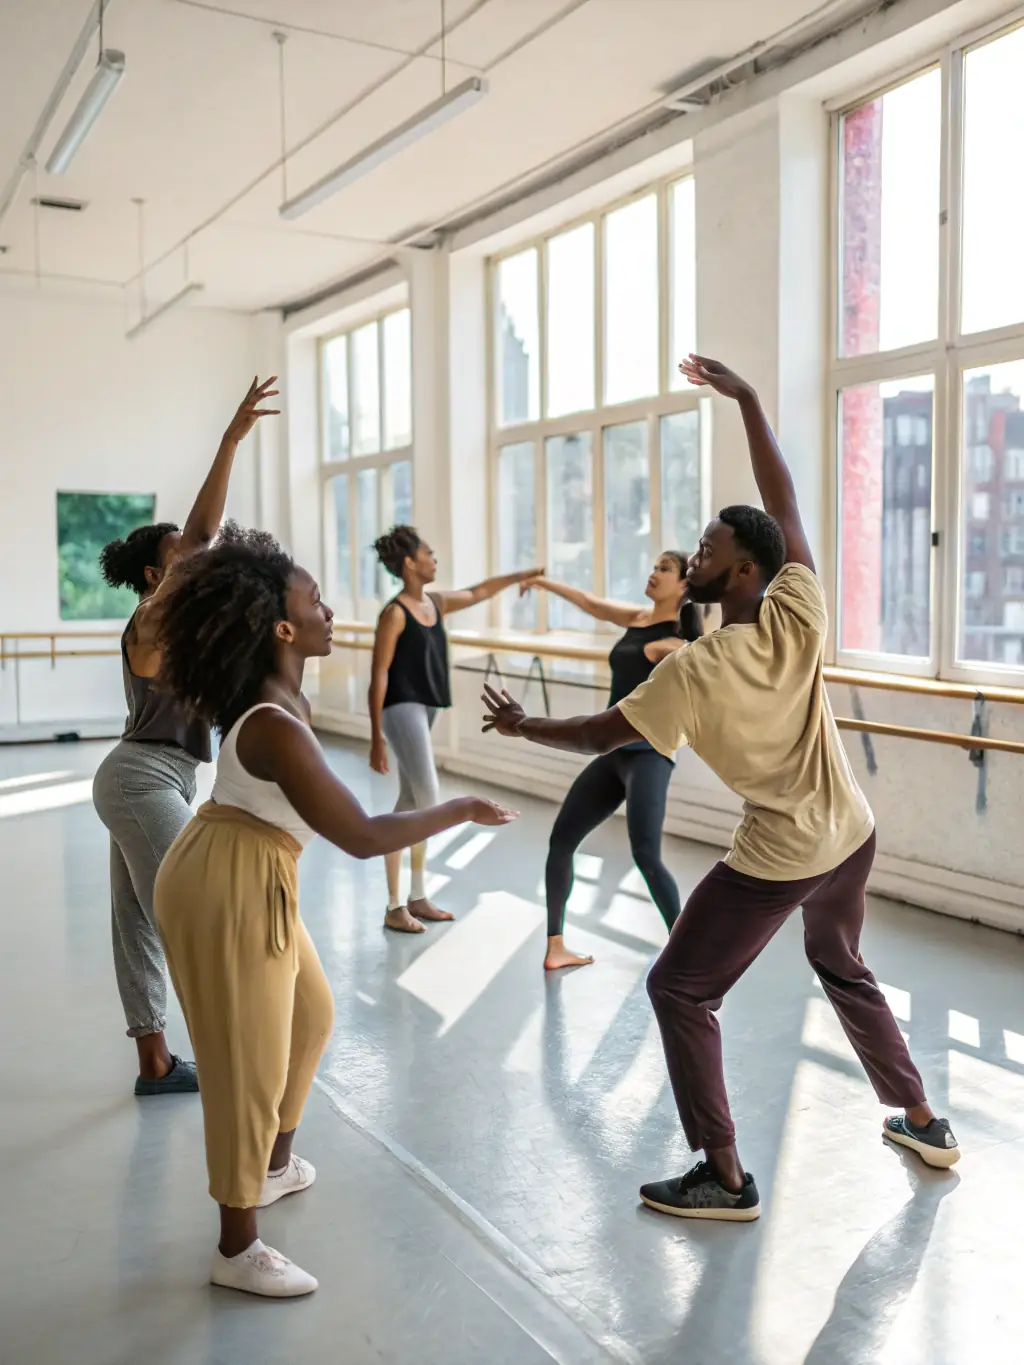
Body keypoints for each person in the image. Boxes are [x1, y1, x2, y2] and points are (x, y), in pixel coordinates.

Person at [482, 353, 960, 1223]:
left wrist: (522, 727)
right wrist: (744, 400)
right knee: (841, 961)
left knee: (680, 989)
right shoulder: (799, 611)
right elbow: (783, 511)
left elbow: (598, 733)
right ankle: (925, 1120)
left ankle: (726, 1175)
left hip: (780, 855)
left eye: (709, 547)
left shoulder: (694, 669)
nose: (695, 553)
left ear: (742, 573)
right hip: (852, 833)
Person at [152, 524, 517, 1298]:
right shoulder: (277, 724)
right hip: (229, 877)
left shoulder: (285, 696)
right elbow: (359, 834)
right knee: (245, 1057)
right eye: (314, 599)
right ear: (283, 627)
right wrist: (458, 806)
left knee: (310, 1016)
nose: (327, 609)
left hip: (256, 866)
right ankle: (236, 1242)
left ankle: (274, 1164)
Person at [92, 376, 279, 1095]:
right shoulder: (149, 614)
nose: (196, 559)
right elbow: (203, 534)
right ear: (153, 573)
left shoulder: (184, 624)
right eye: (181, 557)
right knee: (190, 909)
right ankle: (230, 1054)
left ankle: (157, 1063)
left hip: (149, 777)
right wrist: (231, 439)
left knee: (137, 921)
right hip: (142, 776)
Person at [519, 559, 702, 970]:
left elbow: (703, 667)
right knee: (562, 839)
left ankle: (687, 956)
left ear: (684, 585)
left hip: (650, 755)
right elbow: (591, 603)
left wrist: (673, 651)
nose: (653, 572)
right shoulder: (637, 619)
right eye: (653, 565)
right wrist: (544, 581)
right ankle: (555, 947)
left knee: (646, 855)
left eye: (665, 568)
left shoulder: (678, 642)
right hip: (612, 753)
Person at [368, 524, 541, 933]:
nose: (434, 558)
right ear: (410, 563)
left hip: (426, 707)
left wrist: (523, 576)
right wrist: (376, 736)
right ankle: (401, 901)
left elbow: (480, 591)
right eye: (428, 552)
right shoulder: (394, 614)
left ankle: (409, 899)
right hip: (400, 708)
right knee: (428, 798)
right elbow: (378, 675)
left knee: (410, 804)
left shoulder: (436, 603)